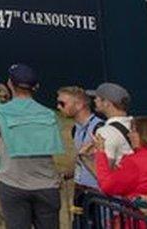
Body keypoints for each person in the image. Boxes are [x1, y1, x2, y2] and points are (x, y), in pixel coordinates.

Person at [0, 64, 64, 229]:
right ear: (35, 87)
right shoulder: (49, 114)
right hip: (46, 183)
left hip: (13, 182)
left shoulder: (0, 112)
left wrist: (6, 149)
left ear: (9, 84)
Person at [56, 86, 103, 226]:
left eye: (62, 103)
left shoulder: (99, 129)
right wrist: (70, 174)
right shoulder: (75, 129)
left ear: (79, 105)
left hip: (97, 195)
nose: (58, 107)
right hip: (80, 191)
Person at [94, 116, 147, 199]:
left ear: (144, 135)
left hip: (136, 210)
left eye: (133, 131)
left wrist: (100, 153)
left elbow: (107, 186)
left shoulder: (134, 162)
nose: (129, 135)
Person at [88, 82, 134, 168]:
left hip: (120, 180)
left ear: (106, 103)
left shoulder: (105, 132)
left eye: (97, 98)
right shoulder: (138, 125)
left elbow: (104, 169)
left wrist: (84, 157)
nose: (94, 100)